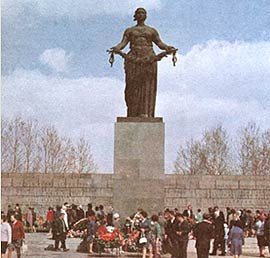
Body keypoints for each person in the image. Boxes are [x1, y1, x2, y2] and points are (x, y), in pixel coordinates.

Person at [110, 8, 176, 117]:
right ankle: (132, 113)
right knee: (132, 86)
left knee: (146, 85)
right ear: (135, 16)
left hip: (149, 58)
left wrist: (167, 47)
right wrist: (116, 48)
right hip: (133, 59)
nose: (141, 15)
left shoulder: (152, 31)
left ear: (146, 16)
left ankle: (145, 112)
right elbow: (123, 43)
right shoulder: (129, 31)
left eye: (143, 13)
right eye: (139, 13)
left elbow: (159, 43)